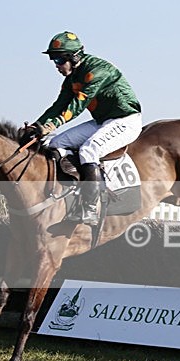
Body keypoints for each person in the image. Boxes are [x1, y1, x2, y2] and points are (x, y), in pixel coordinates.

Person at [22, 31, 143, 225]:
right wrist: (37, 126)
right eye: (54, 61)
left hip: (126, 120)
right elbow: (58, 106)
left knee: (89, 149)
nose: (57, 66)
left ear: (74, 57)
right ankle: (73, 190)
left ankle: (91, 207)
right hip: (102, 121)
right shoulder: (71, 79)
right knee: (56, 143)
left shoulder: (96, 71)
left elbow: (77, 105)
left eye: (59, 60)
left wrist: (52, 124)